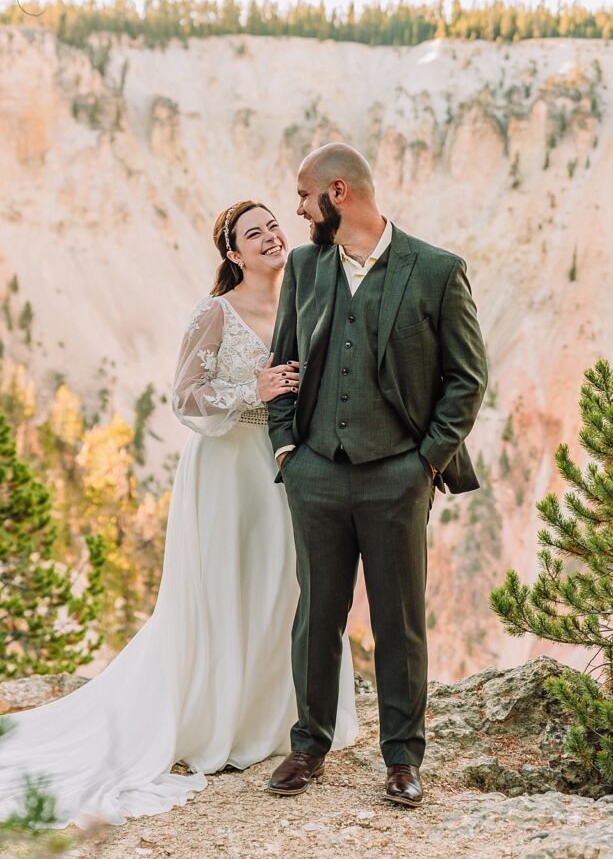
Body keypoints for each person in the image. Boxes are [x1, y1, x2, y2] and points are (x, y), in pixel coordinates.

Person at [0, 200, 358, 829]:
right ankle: (219, 722)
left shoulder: (306, 298)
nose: (272, 237)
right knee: (224, 588)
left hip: (290, 465)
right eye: (255, 233)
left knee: (289, 586)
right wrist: (257, 389)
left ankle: (283, 720)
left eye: (274, 226)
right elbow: (184, 396)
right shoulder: (215, 312)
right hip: (227, 467)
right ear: (232, 254)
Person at [267, 145, 487, 807]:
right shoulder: (305, 267)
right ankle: (309, 746)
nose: (297, 210)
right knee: (317, 616)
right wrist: (287, 452)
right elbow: (283, 367)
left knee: (400, 621)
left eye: (304, 196)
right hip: (317, 475)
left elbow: (466, 380)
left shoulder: (436, 270)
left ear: (339, 193)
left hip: (398, 477)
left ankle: (401, 760)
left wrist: (424, 464)